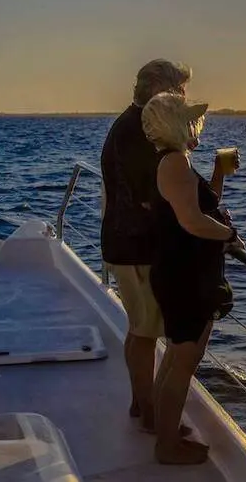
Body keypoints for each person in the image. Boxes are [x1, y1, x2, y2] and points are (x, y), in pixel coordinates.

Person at [141, 91, 244, 464]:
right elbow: (192, 221)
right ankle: (165, 446)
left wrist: (217, 174)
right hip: (185, 278)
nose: (196, 125)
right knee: (182, 362)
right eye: (190, 120)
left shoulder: (176, 162)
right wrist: (230, 236)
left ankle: (161, 429)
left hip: (182, 273)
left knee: (176, 357)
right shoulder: (174, 164)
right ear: (176, 124)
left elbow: (199, 207)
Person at [100, 59, 193, 432]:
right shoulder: (138, 129)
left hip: (122, 243)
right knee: (144, 332)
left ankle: (141, 404)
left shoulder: (129, 123)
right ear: (157, 87)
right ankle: (151, 414)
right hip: (136, 247)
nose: (182, 98)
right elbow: (150, 195)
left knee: (139, 328)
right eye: (178, 90)